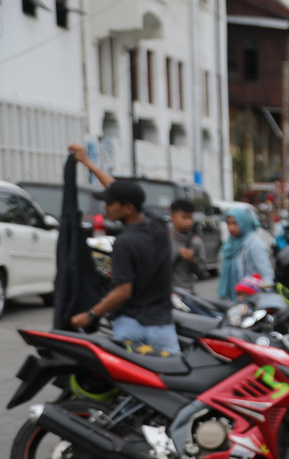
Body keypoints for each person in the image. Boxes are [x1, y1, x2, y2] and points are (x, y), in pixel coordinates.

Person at [65, 145, 177, 353]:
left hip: (131, 327)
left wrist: (90, 314)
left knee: (126, 385)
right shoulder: (158, 225)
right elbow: (120, 189)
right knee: (170, 382)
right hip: (163, 327)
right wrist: (87, 162)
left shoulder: (124, 243)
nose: (106, 207)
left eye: (110, 203)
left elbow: (123, 293)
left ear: (128, 208)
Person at [218, 207, 274, 299]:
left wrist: (266, 297)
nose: (230, 227)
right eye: (228, 223)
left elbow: (266, 273)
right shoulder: (231, 242)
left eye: (235, 223)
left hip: (250, 298)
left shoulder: (255, 244)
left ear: (243, 222)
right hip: (234, 296)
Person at [167, 199, 206, 299]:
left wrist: (193, 261)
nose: (188, 221)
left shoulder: (196, 241)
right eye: (184, 217)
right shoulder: (163, 238)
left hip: (187, 293)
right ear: (173, 218)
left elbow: (202, 272)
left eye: (190, 217)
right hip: (165, 293)